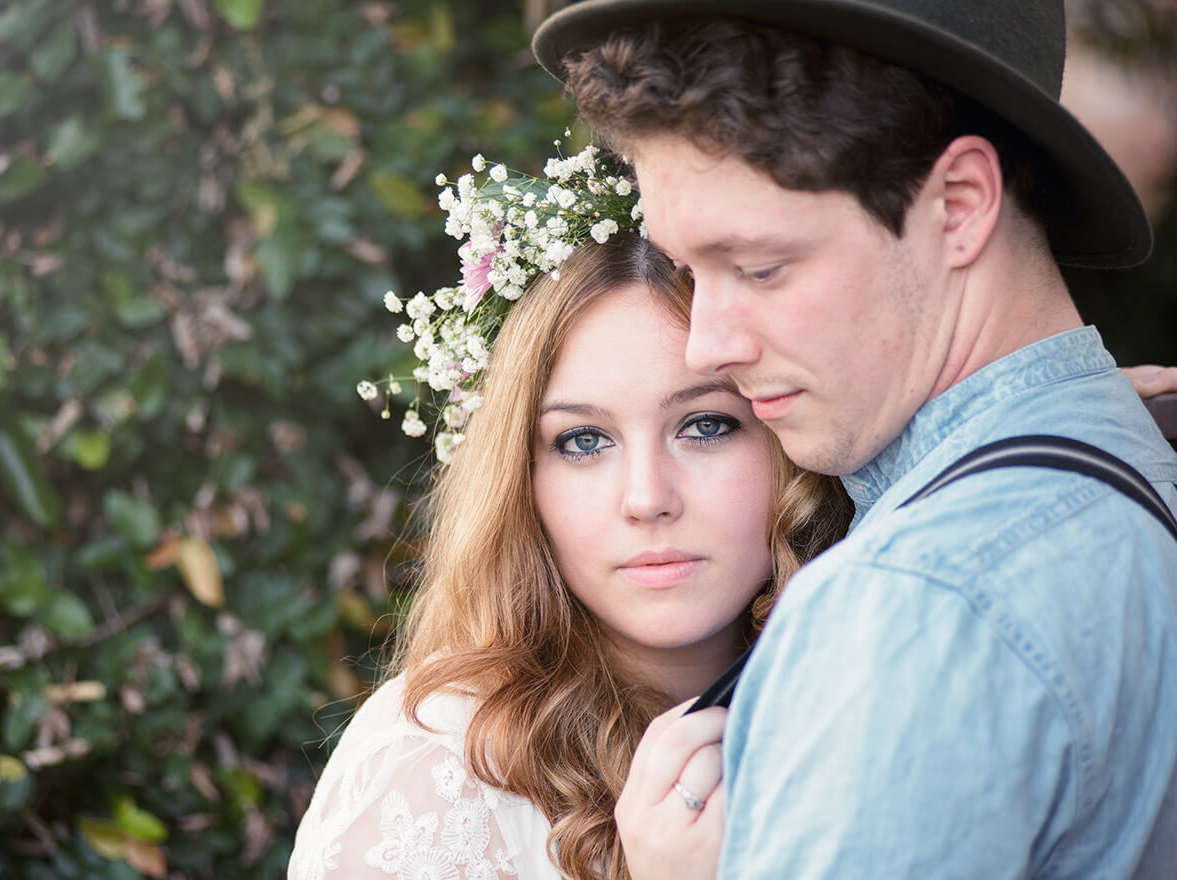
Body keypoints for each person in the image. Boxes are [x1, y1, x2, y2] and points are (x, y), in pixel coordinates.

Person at [532, 1, 1177, 877]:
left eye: (759, 268)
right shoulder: (1133, 455)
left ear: (959, 206)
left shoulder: (911, 604)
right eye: (689, 271)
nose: (707, 344)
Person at [288, 151, 852, 880]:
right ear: (522, 481)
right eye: (584, 441)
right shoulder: (433, 775)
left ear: (783, 442)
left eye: (705, 426)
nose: (647, 497)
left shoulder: (874, 697)